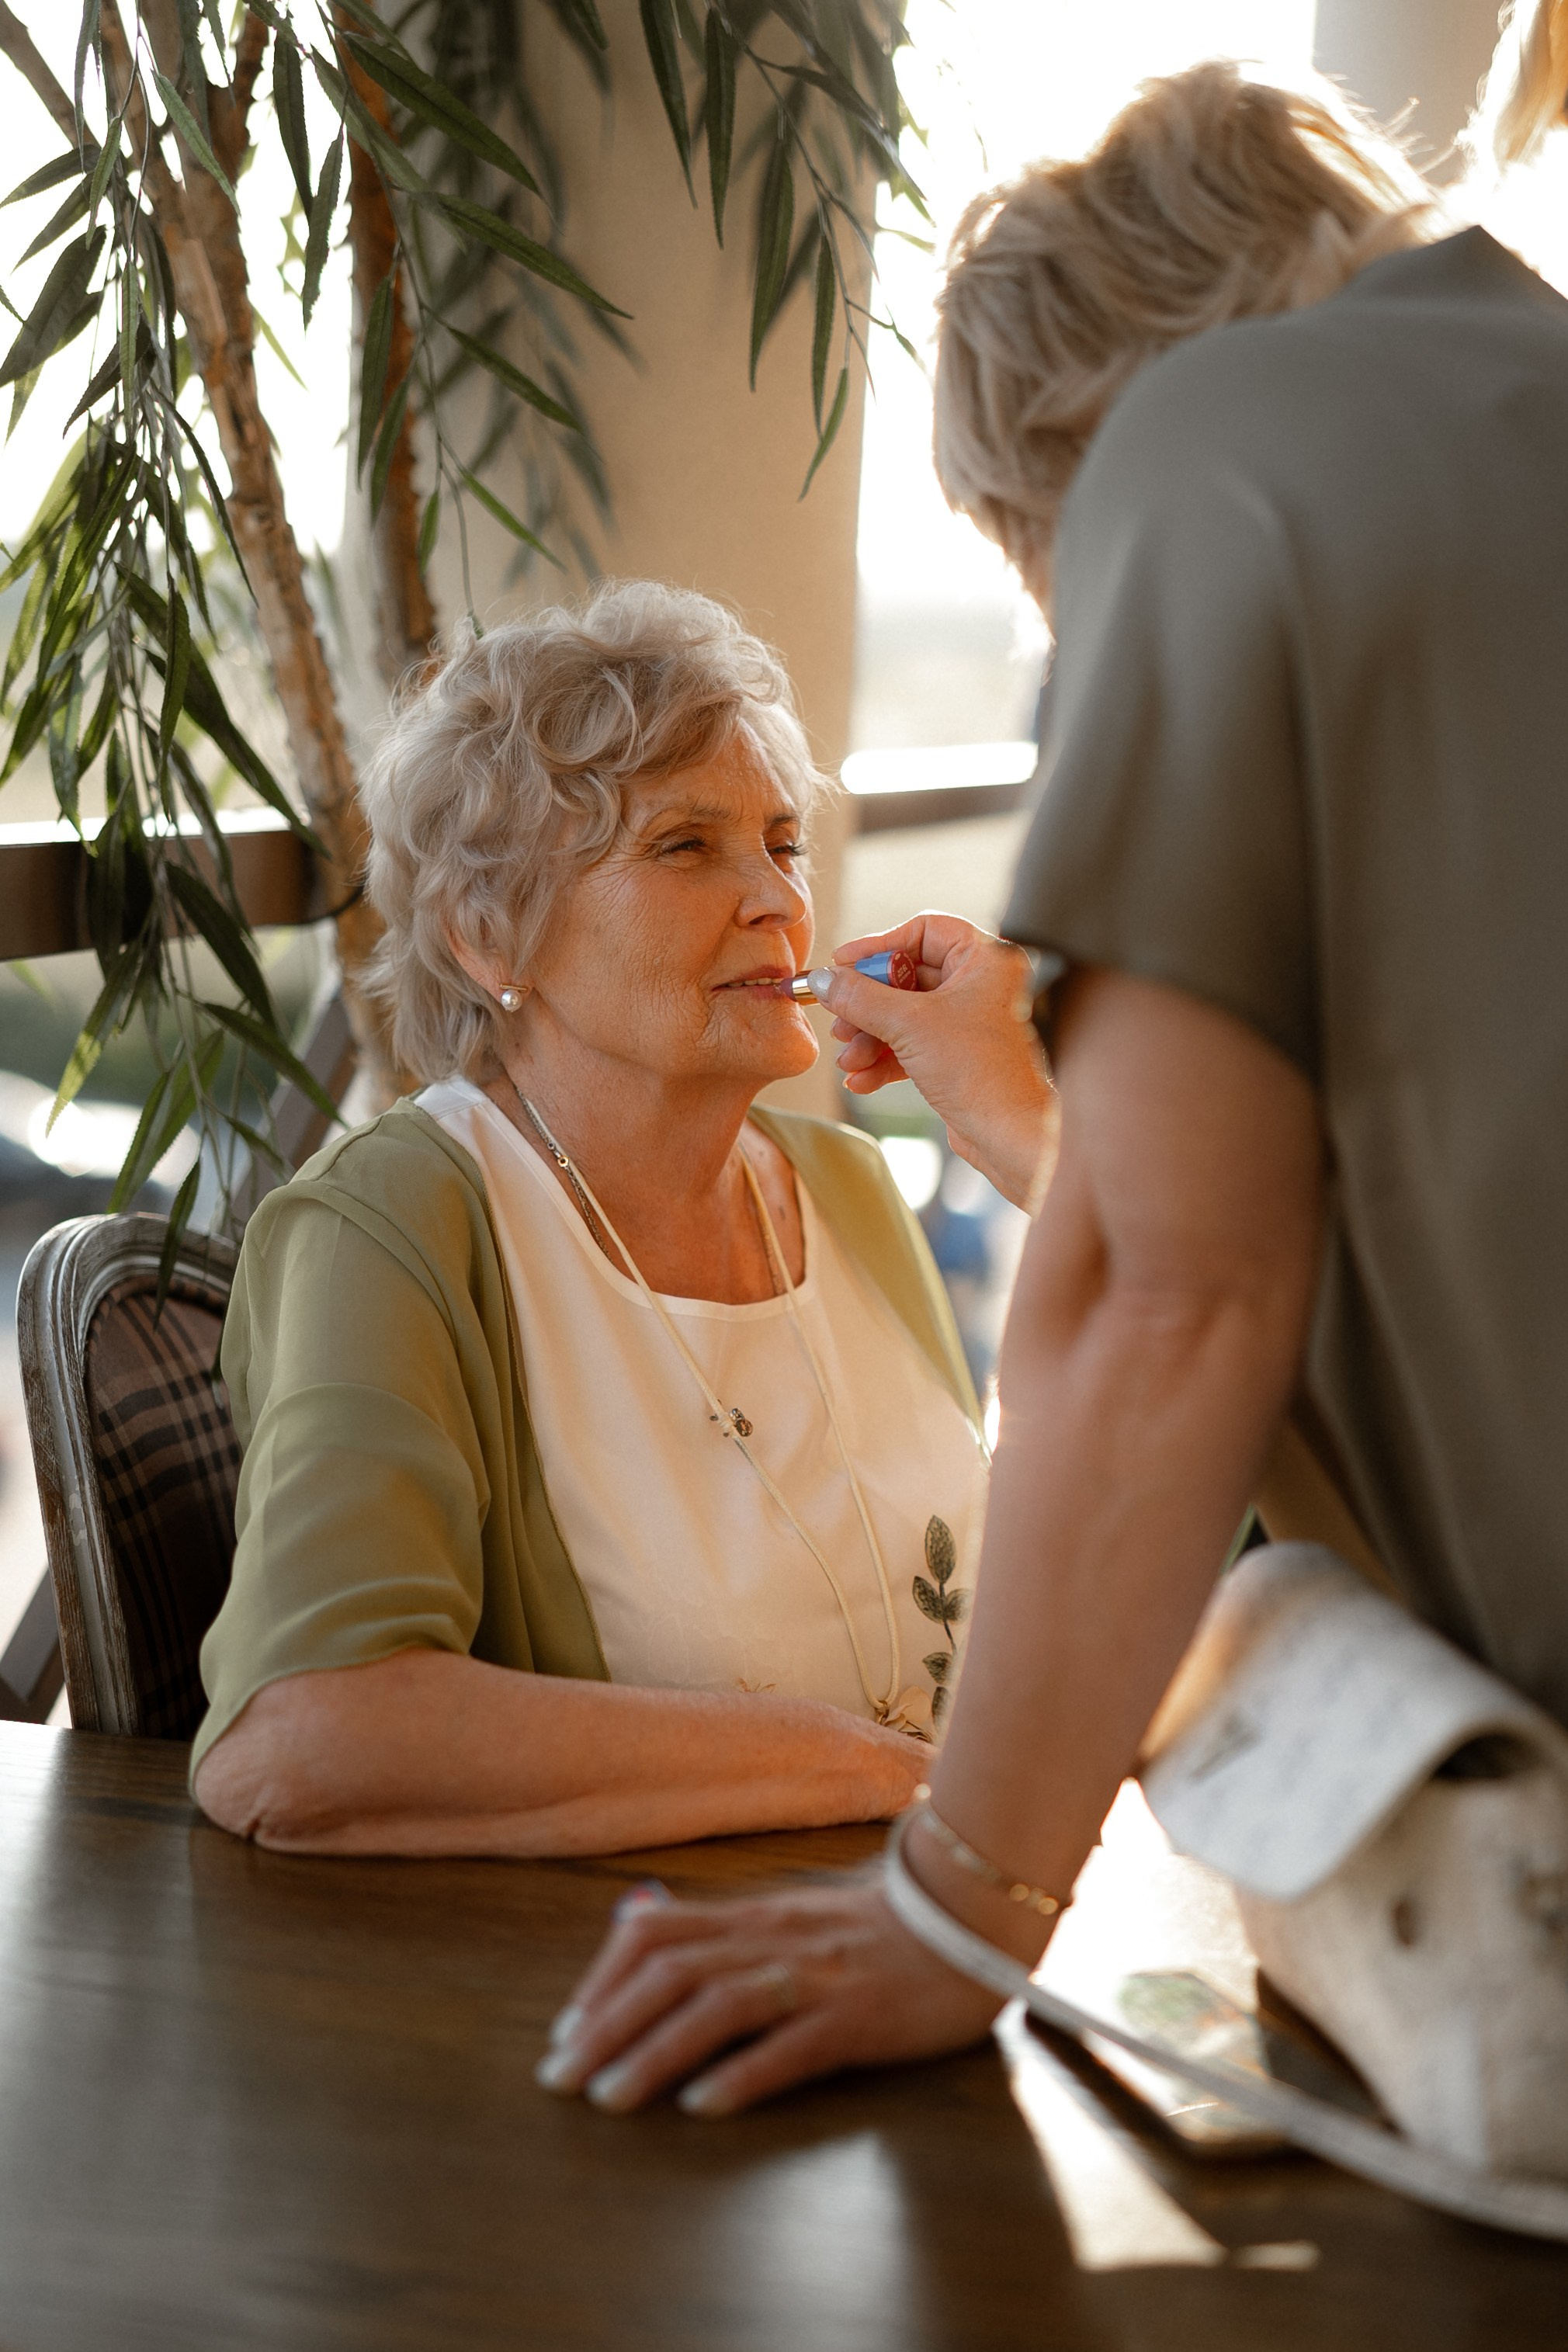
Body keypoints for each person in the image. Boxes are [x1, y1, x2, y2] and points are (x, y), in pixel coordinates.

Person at [536, 58, 1568, 2118]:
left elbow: (1185, 1286)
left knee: (1254, 1627)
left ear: (1068, 452)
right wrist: (1036, 1108)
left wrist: (953, 1895)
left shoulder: (1212, 444)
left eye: (1046, 587)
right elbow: (1399, 1200)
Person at [193, 581, 1050, 1856]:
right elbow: (306, 1735)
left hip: (946, 1922)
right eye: (686, 847)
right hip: (612, 1993)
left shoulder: (850, 1188)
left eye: (782, 840)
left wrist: (1036, 1129)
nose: (776, 900)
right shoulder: (395, 1223)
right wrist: (864, 1769)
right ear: (488, 936)